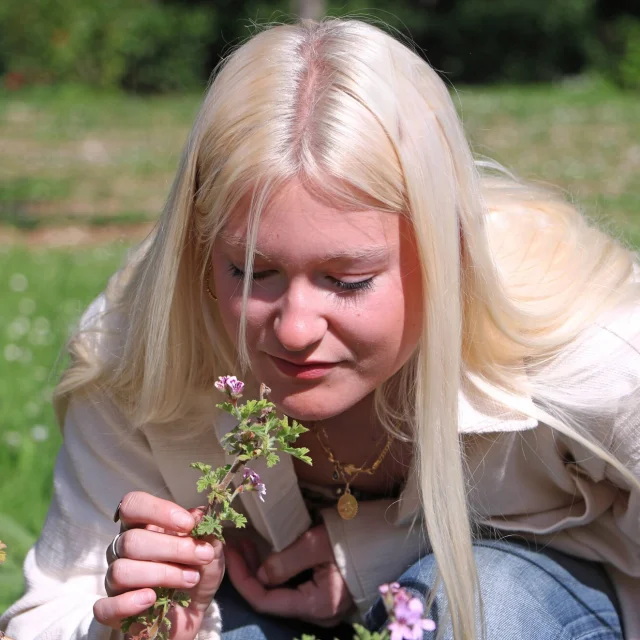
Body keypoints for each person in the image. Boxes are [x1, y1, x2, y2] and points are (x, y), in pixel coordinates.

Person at [2, 16, 639, 640]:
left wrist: (374, 552)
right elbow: (50, 609)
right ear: (200, 247)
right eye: (253, 272)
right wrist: (129, 625)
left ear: (449, 253)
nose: (296, 328)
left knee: (484, 600)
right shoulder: (141, 344)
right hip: (246, 609)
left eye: (348, 279)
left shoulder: (583, 348)